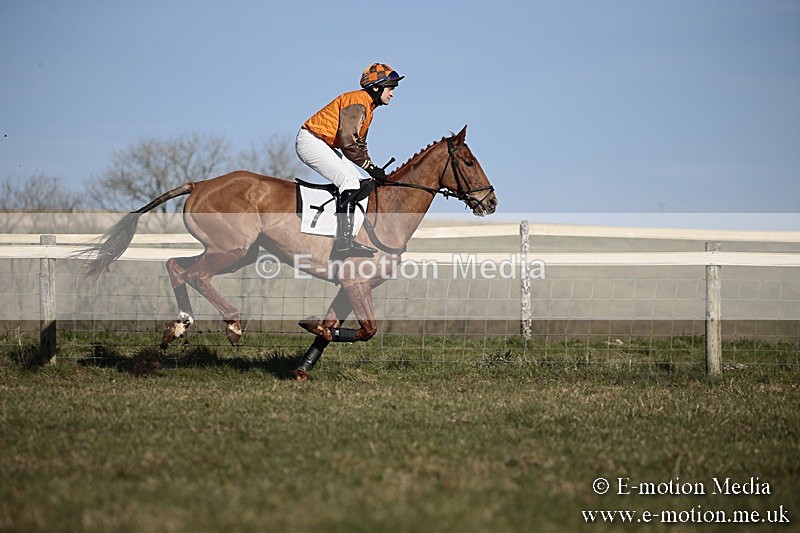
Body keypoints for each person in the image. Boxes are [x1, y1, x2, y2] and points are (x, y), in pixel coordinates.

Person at [296, 62, 403, 257]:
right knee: (350, 181)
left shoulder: (368, 107)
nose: (392, 94)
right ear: (377, 87)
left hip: (324, 144)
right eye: (390, 88)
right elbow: (348, 143)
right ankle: (344, 241)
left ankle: (344, 233)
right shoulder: (358, 102)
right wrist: (370, 167)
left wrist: (373, 168)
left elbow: (359, 145)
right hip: (311, 141)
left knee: (361, 183)